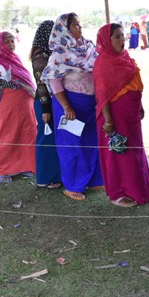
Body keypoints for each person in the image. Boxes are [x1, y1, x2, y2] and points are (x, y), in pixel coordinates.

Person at [42, 13, 103, 201]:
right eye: (75, 25)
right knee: (72, 146)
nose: (80, 28)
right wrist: (67, 106)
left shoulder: (89, 47)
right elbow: (54, 82)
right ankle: (73, 186)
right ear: (64, 30)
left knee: (91, 141)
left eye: (79, 24)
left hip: (89, 103)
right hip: (69, 105)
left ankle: (93, 180)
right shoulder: (59, 53)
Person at [93, 23, 149, 207]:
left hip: (131, 114)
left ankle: (139, 188)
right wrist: (109, 122)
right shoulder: (103, 63)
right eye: (117, 37)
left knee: (134, 150)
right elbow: (103, 96)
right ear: (107, 40)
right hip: (115, 116)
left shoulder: (125, 57)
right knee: (119, 152)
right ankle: (118, 194)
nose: (122, 40)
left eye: (122, 36)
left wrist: (139, 105)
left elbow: (134, 83)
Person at [0, 31, 37, 183]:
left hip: (25, 103)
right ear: (0, 45)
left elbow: (26, 80)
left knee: (28, 132)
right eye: (7, 42)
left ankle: (28, 166)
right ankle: (3, 170)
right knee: (8, 134)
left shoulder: (16, 59)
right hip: (8, 103)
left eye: (12, 41)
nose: (10, 44)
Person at [30, 21, 62, 189]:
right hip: (44, 102)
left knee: (52, 138)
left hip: (50, 101)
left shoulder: (52, 52)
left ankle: (54, 175)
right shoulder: (40, 55)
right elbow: (41, 83)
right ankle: (45, 177)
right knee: (45, 138)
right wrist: (45, 109)